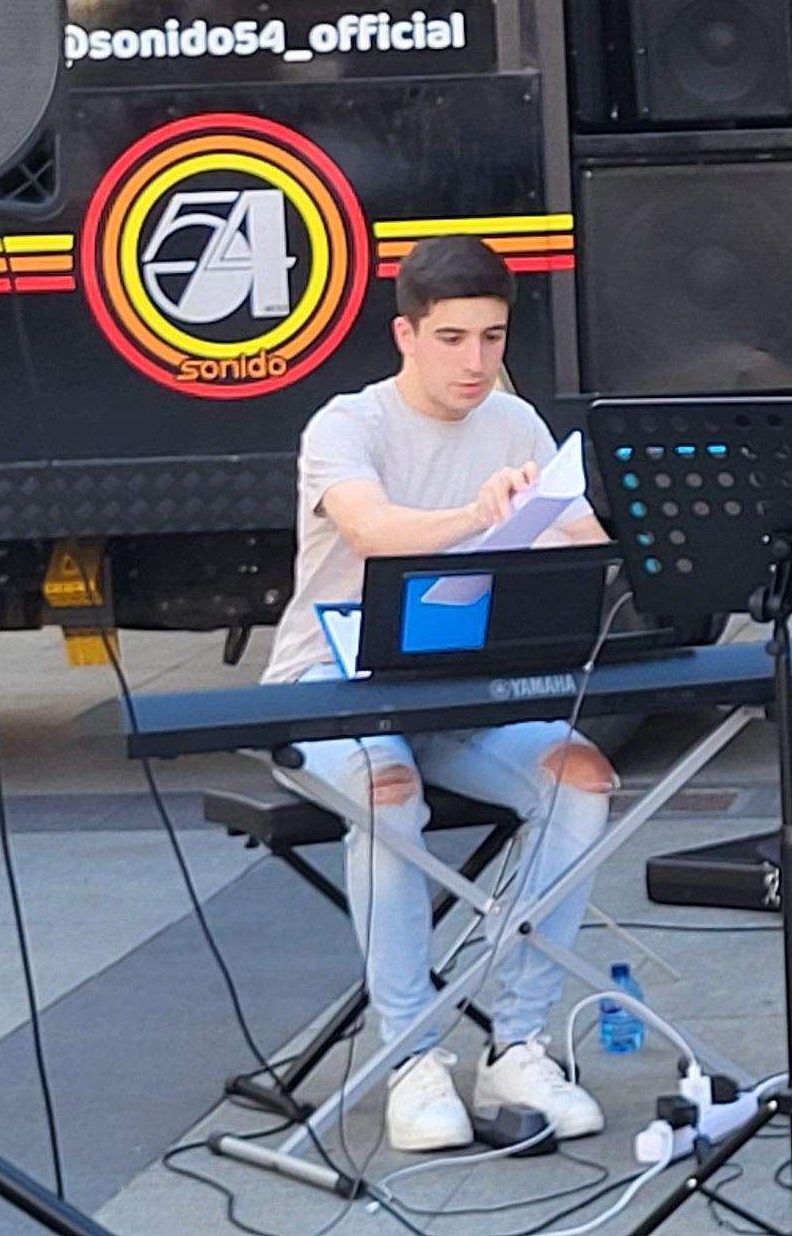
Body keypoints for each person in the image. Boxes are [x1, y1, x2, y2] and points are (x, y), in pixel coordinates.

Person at [267, 234, 613, 1153]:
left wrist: (581, 538)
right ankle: (412, 1056)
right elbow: (372, 531)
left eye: (493, 338)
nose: (476, 361)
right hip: (331, 674)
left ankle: (519, 1039)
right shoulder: (347, 423)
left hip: (461, 680)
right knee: (389, 794)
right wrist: (480, 516)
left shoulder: (517, 420)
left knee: (581, 778)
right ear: (405, 336)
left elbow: (581, 536)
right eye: (453, 338)